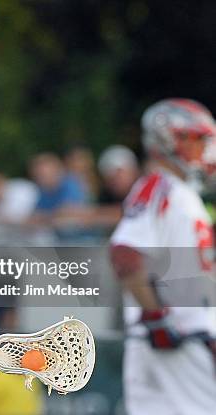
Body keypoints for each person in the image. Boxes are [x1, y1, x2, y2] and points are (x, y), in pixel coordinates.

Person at [109, 98, 216, 415]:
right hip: (175, 342)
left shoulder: (182, 194)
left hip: (185, 340)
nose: (204, 149)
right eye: (196, 139)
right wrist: (156, 318)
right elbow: (125, 255)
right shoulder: (160, 187)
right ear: (170, 140)